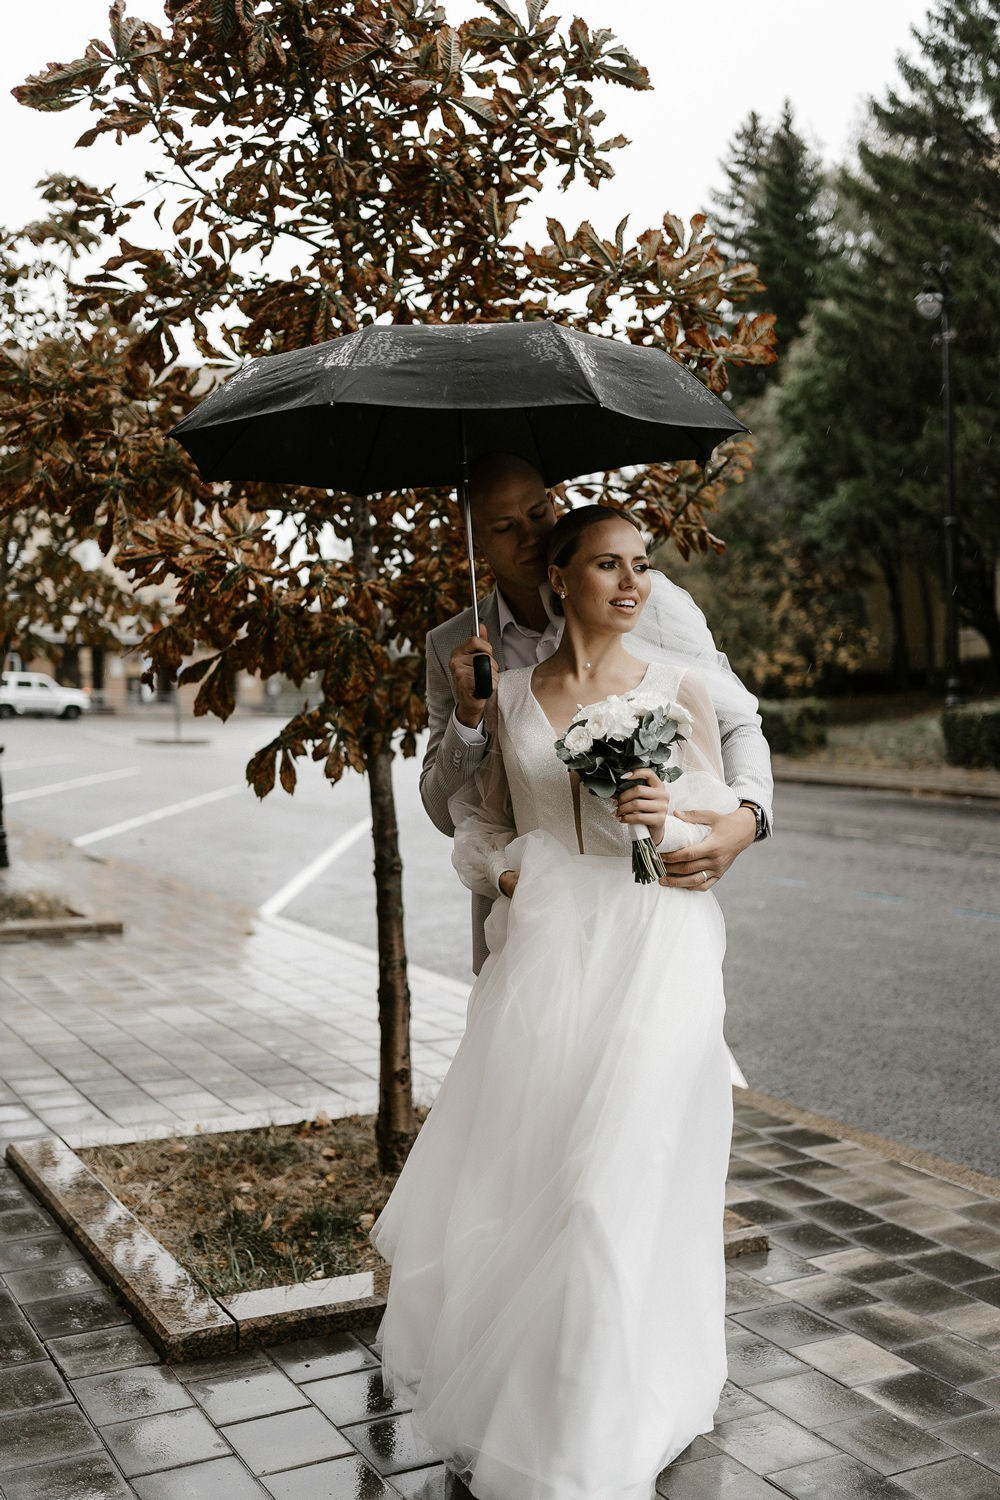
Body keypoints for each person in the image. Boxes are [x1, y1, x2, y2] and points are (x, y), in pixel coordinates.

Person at [372, 505, 742, 1499]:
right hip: (545, 960)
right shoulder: (507, 693)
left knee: (608, 1187)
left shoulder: (681, 688)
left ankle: (599, 1427)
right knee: (539, 1178)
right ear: (563, 574)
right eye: (608, 565)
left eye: (642, 567)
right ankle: (542, 1402)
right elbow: (479, 824)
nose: (631, 583)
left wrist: (669, 813)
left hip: (654, 950)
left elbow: (710, 829)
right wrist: (501, 878)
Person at [420, 452, 772, 972]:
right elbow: (443, 810)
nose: (532, 537)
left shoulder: (648, 602)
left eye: (539, 513)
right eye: (503, 527)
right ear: (474, 541)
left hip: (648, 919)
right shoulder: (454, 645)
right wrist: (467, 718)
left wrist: (748, 815)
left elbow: (736, 719)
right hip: (532, 931)